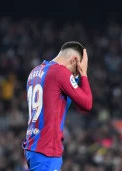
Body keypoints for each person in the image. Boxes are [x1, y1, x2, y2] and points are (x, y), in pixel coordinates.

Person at [22, 41, 93, 171]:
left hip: (33, 147)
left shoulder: (35, 71)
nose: (74, 74)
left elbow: (62, 103)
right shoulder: (59, 72)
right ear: (74, 60)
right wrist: (83, 73)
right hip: (47, 149)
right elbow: (87, 104)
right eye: (75, 70)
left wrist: (75, 79)